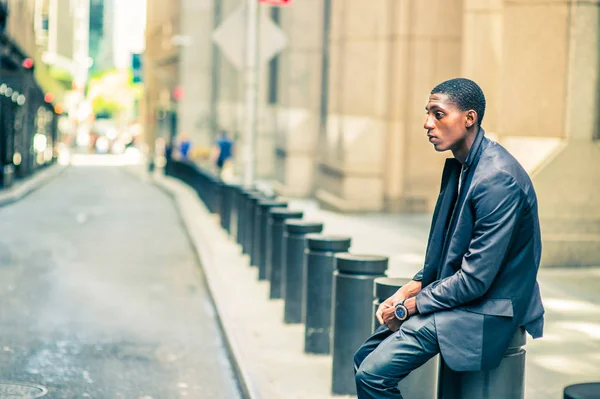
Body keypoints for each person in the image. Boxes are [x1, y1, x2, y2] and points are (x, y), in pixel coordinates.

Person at [354, 78, 545, 398]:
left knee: (373, 375)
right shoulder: (463, 168)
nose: (428, 123)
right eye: (427, 113)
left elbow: (474, 280)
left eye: (438, 114)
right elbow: (447, 253)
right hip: (461, 299)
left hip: (487, 307)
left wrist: (408, 308)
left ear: (469, 118)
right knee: (364, 359)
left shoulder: (497, 179)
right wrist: (408, 289)